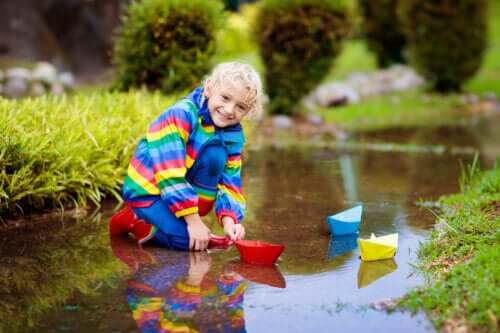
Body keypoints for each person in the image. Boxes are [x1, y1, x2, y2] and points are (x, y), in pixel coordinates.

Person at [110, 62, 263, 252]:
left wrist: (230, 221)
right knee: (188, 242)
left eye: (240, 107)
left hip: (177, 192)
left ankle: (181, 216)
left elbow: (230, 181)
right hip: (150, 189)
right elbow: (169, 174)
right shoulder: (180, 115)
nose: (230, 110)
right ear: (208, 88)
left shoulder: (233, 134)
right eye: (225, 98)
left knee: (215, 153)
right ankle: (134, 218)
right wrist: (194, 222)